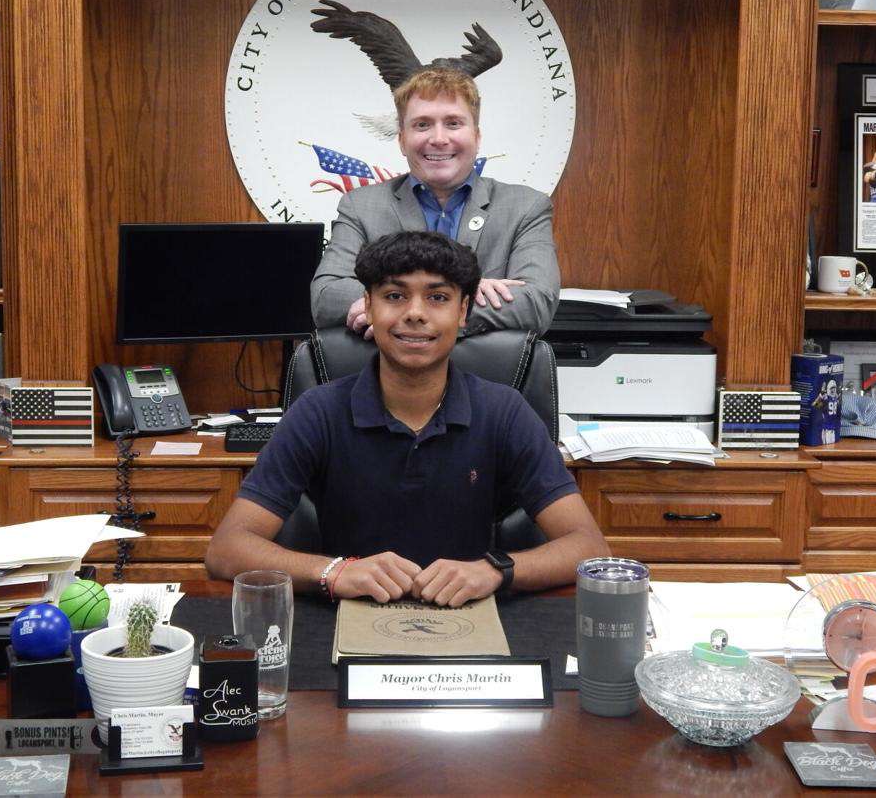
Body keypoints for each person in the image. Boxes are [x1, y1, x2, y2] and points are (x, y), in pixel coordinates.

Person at [208, 231, 609, 606]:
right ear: (368, 306)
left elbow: (589, 547)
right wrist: (334, 571)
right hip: (345, 618)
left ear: (463, 311)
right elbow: (227, 548)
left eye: (437, 298)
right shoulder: (318, 411)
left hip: (471, 621)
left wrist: (495, 570)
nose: (415, 314)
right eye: (395, 296)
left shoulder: (504, 412)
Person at [310, 68, 561, 337]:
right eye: (422, 125)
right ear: (402, 140)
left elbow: (536, 303)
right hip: (387, 375)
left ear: (476, 138)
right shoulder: (361, 206)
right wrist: (463, 294)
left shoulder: (525, 207)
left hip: (486, 375)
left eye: (453, 123)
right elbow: (327, 296)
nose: (439, 139)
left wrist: (390, 305)